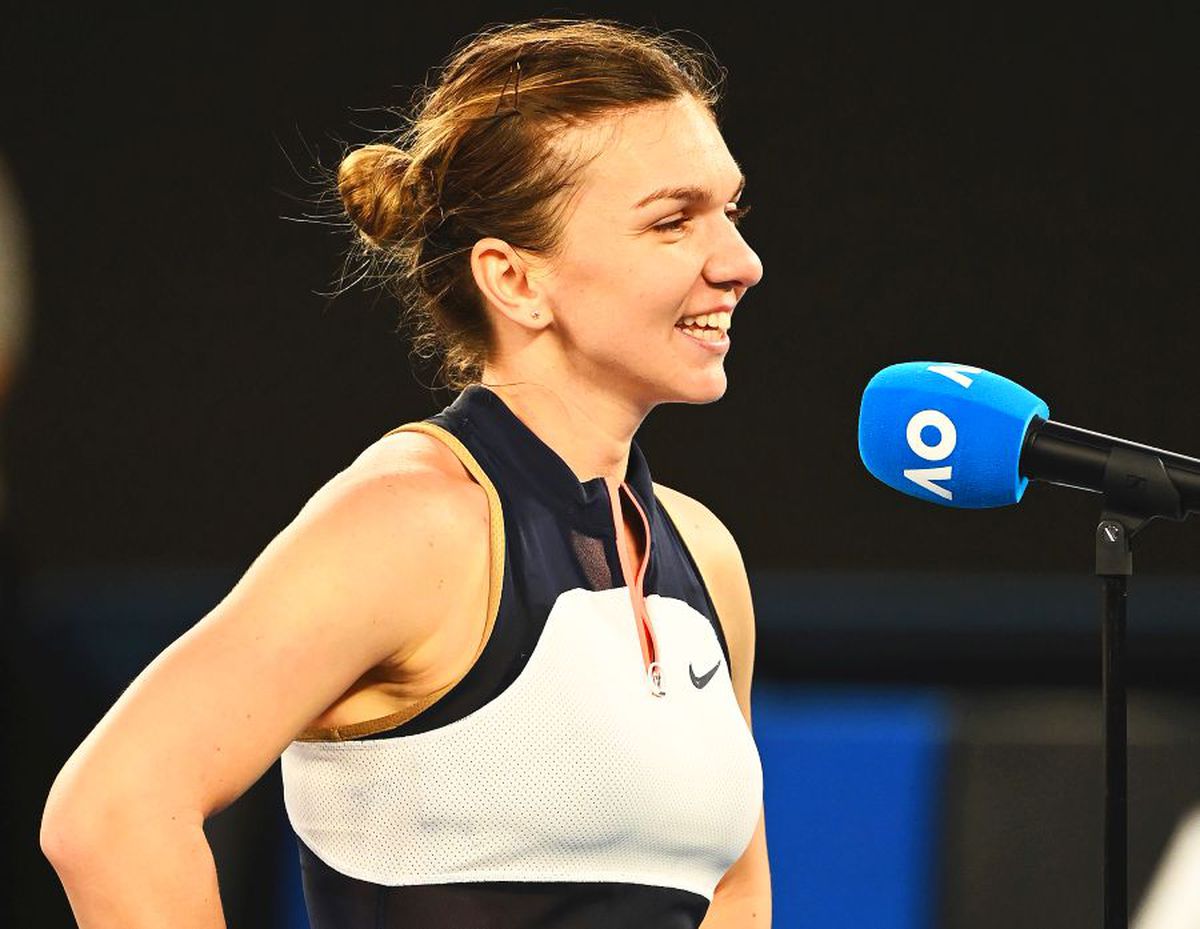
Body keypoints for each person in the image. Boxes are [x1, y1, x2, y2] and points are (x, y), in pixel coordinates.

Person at [40, 17, 769, 929]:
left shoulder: (705, 556)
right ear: (514, 280)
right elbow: (112, 814)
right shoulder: (412, 520)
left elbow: (735, 890)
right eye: (672, 222)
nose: (740, 263)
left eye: (731, 211)